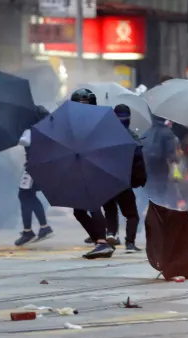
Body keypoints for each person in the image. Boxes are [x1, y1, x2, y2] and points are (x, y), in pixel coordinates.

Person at [70, 88, 115, 259]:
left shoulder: (96, 121)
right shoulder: (79, 121)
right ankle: (100, 241)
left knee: (91, 205)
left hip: (91, 166)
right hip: (84, 165)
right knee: (79, 210)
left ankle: (102, 242)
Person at [102, 103, 147, 253]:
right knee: (131, 214)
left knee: (110, 210)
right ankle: (130, 243)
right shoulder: (132, 137)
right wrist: (140, 179)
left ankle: (111, 233)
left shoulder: (104, 136)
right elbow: (139, 162)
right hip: (123, 181)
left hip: (107, 180)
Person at [15, 105, 54, 246]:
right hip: (43, 166)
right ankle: (44, 228)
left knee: (24, 195)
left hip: (33, 167)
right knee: (28, 195)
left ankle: (29, 231)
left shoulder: (32, 130)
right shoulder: (48, 129)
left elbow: (23, 141)